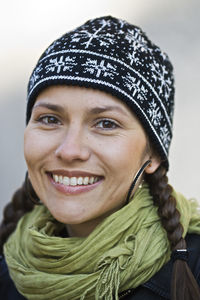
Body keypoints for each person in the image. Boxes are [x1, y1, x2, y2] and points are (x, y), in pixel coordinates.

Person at [0, 16, 199, 300]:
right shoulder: (9, 269)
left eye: (106, 124)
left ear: (153, 154)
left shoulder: (192, 271)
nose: (69, 150)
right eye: (50, 119)